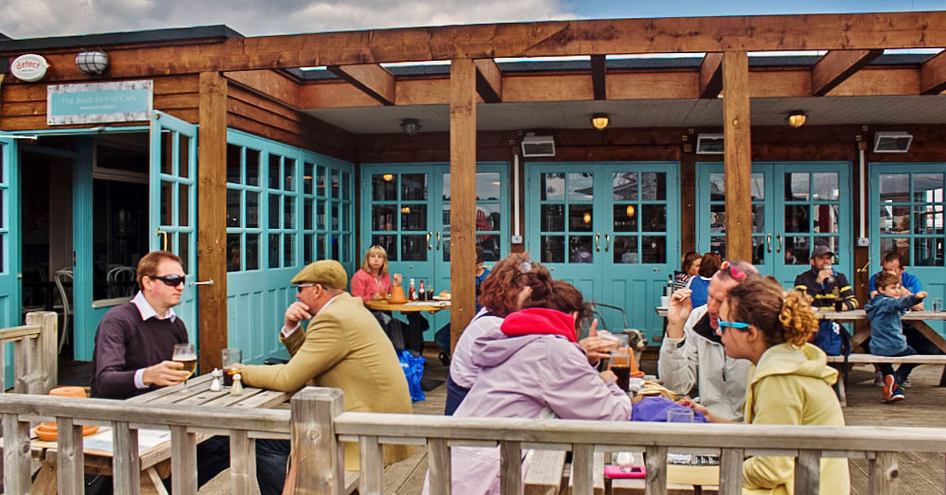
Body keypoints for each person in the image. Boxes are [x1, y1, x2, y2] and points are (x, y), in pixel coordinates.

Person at [426, 281, 631, 495]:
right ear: (573, 318)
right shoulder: (552, 350)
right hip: (487, 480)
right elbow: (613, 420)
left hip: (454, 472)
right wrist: (610, 383)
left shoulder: (513, 339)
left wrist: (581, 358)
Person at [235, 260, 413, 494]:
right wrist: (291, 327)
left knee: (265, 443)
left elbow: (289, 378)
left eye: (300, 289)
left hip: (361, 429)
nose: (297, 296)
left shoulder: (333, 319)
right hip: (377, 421)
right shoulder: (347, 308)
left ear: (317, 289)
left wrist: (238, 371)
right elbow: (310, 364)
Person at [89, 251, 227, 490]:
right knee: (218, 445)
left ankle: (160, 488)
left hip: (162, 414)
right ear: (147, 282)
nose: (181, 286)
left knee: (228, 442)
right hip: (122, 419)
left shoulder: (176, 324)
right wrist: (147, 376)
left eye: (183, 280)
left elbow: (183, 377)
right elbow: (104, 381)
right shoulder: (118, 321)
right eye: (172, 280)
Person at [713, 274, 850, 494]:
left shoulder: (779, 378)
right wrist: (711, 420)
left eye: (723, 324)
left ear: (750, 333)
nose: (718, 331)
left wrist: (715, 472)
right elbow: (765, 439)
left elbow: (770, 468)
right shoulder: (781, 362)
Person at [444, 253, 553, 414]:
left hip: (480, 408)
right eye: (532, 296)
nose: (537, 304)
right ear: (510, 292)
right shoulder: (494, 327)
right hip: (470, 418)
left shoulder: (491, 312)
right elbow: (535, 370)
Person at [658, 260, 754, 422]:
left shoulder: (759, 331)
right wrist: (675, 328)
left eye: (721, 301)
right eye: (710, 296)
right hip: (706, 424)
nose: (711, 308)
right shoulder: (698, 317)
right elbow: (677, 388)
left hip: (749, 432)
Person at [350, 245, 428, 354]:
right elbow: (355, 300)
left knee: (415, 319)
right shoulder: (360, 276)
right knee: (411, 331)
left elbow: (392, 296)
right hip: (370, 316)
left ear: (384, 261)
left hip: (386, 313)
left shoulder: (385, 276)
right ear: (367, 259)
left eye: (380, 257)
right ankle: (415, 354)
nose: (376, 260)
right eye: (372, 256)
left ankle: (416, 355)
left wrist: (396, 286)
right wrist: (371, 297)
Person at [865, 271, 927, 403]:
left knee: (884, 363)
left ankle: (891, 384)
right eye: (893, 288)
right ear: (881, 290)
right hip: (894, 345)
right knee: (914, 356)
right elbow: (900, 304)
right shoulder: (888, 303)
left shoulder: (874, 304)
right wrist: (916, 298)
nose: (897, 291)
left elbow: (898, 307)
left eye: (898, 287)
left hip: (876, 347)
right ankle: (897, 379)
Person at [793, 245, 858, 356]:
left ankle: (839, 370)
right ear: (812, 262)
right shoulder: (803, 278)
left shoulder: (839, 278)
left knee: (849, 344)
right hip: (811, 324)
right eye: (821, 258)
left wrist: (844, 306)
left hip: (833, 323)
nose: (826, 261)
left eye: (828, 258)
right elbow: (800, 302)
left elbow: (853, 300)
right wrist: (817, 282)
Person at [434, 247, 490, 361]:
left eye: (471, 262)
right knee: (440, 337)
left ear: (480, 264)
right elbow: (459, 295)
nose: (467, 265)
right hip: (463, 315)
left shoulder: (489, 278)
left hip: (480, 319)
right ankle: (456, 357)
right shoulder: (465, 277)